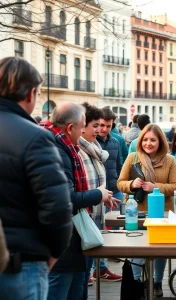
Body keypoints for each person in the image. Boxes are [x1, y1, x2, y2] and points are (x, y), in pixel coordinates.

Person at [0, 57, 73, 299]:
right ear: (31, 94)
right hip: (20, 264)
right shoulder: (35, 137)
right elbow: (58, 207)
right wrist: (52, 254)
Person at [46, 103, 118, 300]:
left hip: (76, 232)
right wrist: (98, 194)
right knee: (63, 291)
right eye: (85, 125)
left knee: (77, 288)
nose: (89, 130)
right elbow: (67, 198)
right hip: (65, 236)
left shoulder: (66, 147)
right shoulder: (59, 151)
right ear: (71, 128)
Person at [117, 123, 176, 298]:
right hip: (135, 213)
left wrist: (156, 187)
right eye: (145, 139)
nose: (148, 143)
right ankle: (137, 283)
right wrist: (131, 184)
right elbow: (120, 183)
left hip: (162, 214)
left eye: (153, 140)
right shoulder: (132, 157)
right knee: (136, 249)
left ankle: (157, 281)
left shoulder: (169, 160)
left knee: (160, 250)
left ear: (160, 141)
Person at [78, 103, 122, 296]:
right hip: (82, 219)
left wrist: (104, 196)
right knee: (79, 275)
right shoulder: (77, 151)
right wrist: (99, 194)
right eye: (95, 125)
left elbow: (98, 179)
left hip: (95, 214)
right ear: (82, 126)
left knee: (84, 271)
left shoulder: (95, 148)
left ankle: (99, 270)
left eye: (103, 125)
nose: (99, 130)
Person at [96, 107, 124, 215]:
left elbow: (118, 166)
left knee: (117, 225)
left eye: (108, 126)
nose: (104, 129)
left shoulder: (115, 142)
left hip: (115, 191)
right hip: (98, 193)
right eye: (102, 125)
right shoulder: (91, 142)